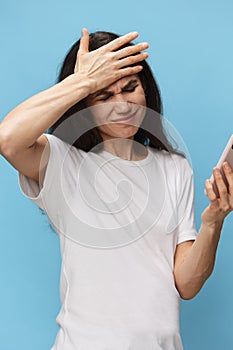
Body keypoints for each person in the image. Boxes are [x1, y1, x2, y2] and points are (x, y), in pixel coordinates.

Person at [0, 28, 233, 350]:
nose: (122, 105)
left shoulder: (174, 167)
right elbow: (8, 139)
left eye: (130, 88)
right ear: (84, 105)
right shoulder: (61, 162)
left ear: (146, 90)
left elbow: (186, 283)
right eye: (104, 96)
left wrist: (213, 221)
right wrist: (82, 81)